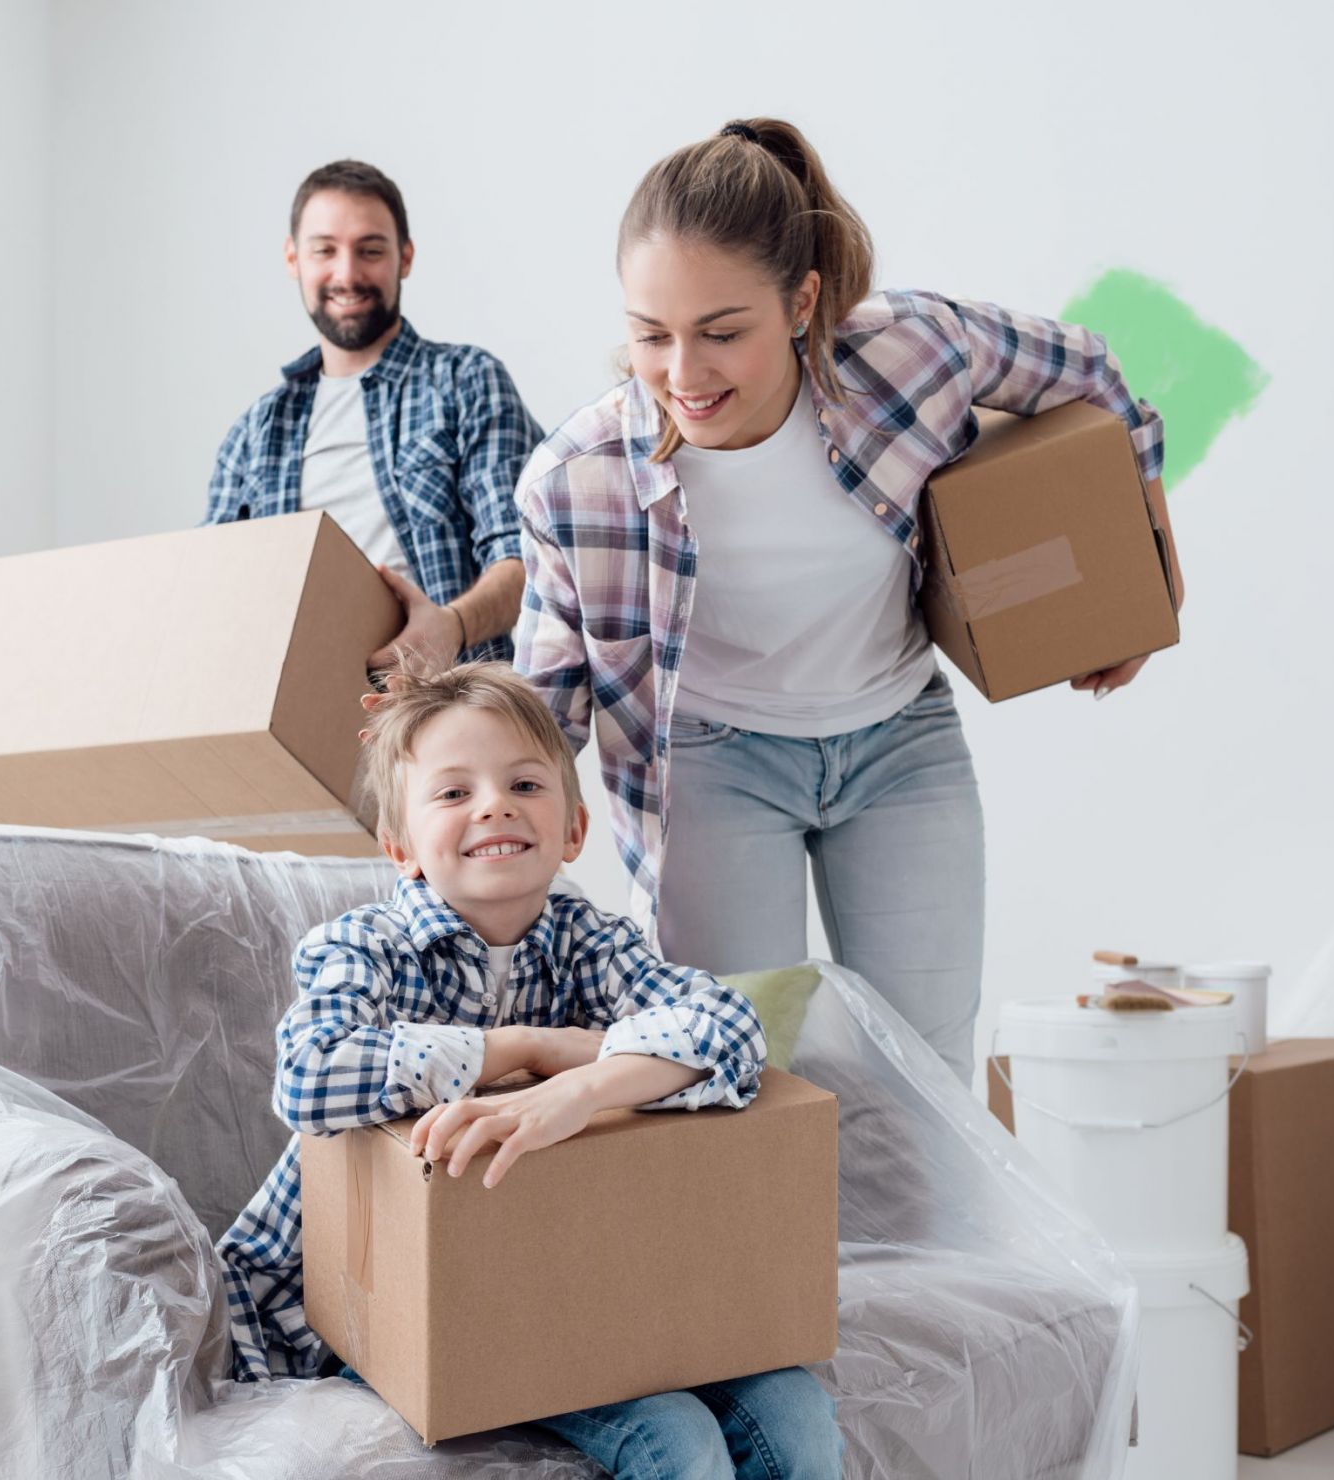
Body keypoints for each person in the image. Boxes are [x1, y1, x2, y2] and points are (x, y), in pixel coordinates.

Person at [515, 118, 1182, 1084]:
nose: (685, 376)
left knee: (928, 1081)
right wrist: (440, 781)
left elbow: (1095, 379)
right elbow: (543, 717)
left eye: (722, 332)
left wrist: (1152, 578)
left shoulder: (912, 353)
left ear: (802, 301)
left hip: (898, 742)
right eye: (650, 335)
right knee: (740, 1073)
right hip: (711, 768)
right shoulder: (576, 481)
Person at [215, 661, 841, 1479]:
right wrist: (524, 1050)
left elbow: (729, 1026)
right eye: (452, 793)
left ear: (574, 829)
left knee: (796, 1409)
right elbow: (306, 1075)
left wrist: (578, 1087)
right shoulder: (362, 946)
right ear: (399, 846)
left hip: (575, 1273)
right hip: (395, 1298)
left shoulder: (590, 938)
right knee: (674, 1440)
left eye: (523, 783)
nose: (493, 805)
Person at [204, 160, 542, 672]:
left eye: (370, 250)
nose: (347, 274)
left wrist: (449, 628)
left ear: (404, 258)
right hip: (301, 717)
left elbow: (528, 559)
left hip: (446, 714)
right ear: (294, 257)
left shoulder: (466, 381)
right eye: (325, 250)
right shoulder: (254, 434)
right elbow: (212, 596)